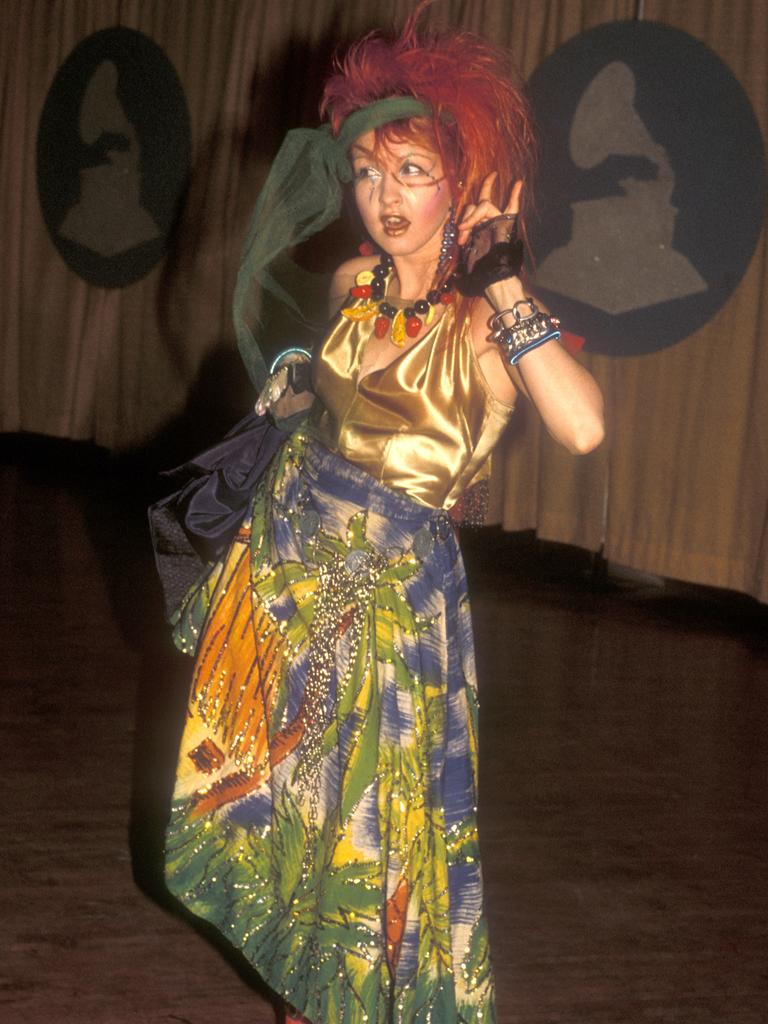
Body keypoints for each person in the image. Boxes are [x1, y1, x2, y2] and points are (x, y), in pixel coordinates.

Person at [153, 5, 604, 1023]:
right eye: (368, 169)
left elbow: (579, 428)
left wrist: (507, 278)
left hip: (396, 616)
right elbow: (319, 406)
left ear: (465, 179)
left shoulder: (487, 318)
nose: (384, 195)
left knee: (371, 844)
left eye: (411, 171)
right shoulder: (354, 286)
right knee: (294, 835)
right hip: (295, 588)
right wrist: (280, 400)